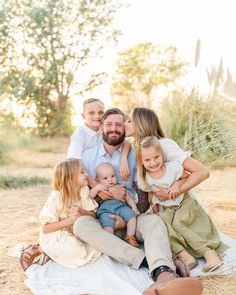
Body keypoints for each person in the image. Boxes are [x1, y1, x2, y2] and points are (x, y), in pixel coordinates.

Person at [72, 108, 202, 295]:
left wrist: (128, 216)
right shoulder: (87, 157)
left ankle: (164, 276)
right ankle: (148, 262)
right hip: (103, 219)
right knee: (80, 225)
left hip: (132, 215)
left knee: (155, 222)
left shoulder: (138, 155)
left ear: (125, 129)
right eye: (109, 124)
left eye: (119, 124)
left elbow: (144, 194)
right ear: (101, 126)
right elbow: (82, 192)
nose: (114, 128)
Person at [136, 136, 226, 272]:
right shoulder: (144, 178)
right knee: (164, 227)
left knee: (179, 223)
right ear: (141, 162)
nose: (153, 163)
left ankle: (209, 254)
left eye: (156, 157)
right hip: (165, 209)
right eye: (147, 160)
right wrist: (153, 207)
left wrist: (176, 184)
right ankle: (185, 255)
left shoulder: (172, 168)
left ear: (162, 155)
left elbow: (186, 177)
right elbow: (150, 193)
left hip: (183, 203)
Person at [38, 158, 101, 269]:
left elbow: (94, 215)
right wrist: (70, 220)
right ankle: (44, 250)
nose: (87, 174)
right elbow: (46, 229)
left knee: (96, 247)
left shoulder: (83, 191)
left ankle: (55, 253)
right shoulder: (56, 197)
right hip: (57, 235)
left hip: (76, 233)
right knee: (78, 250)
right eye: (82, 172)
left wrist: (83, 212)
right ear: (70, 177)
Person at [67, 98, 130, 180]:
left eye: (100, 112)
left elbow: (126, 143)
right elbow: (75, 164)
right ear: (83, 116)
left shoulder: (106, 129)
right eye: (91, 113)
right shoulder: (79, 135)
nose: (97, 116)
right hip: (81, 175)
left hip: (103, 174)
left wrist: (123, 158)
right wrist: (96, 187)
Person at [90, 162, 140, 247]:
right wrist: (97, 187)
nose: (110, 180)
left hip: (121, 208)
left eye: (112, 176)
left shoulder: (120, 187)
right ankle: (109, 242)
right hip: (106, 212)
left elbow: (128, 198)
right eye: (105, 178)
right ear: (98, 181)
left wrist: (134, 207)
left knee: (131, 216)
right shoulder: (99, 190)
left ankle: (130, 236)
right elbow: (90, 195)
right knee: (107, 225)